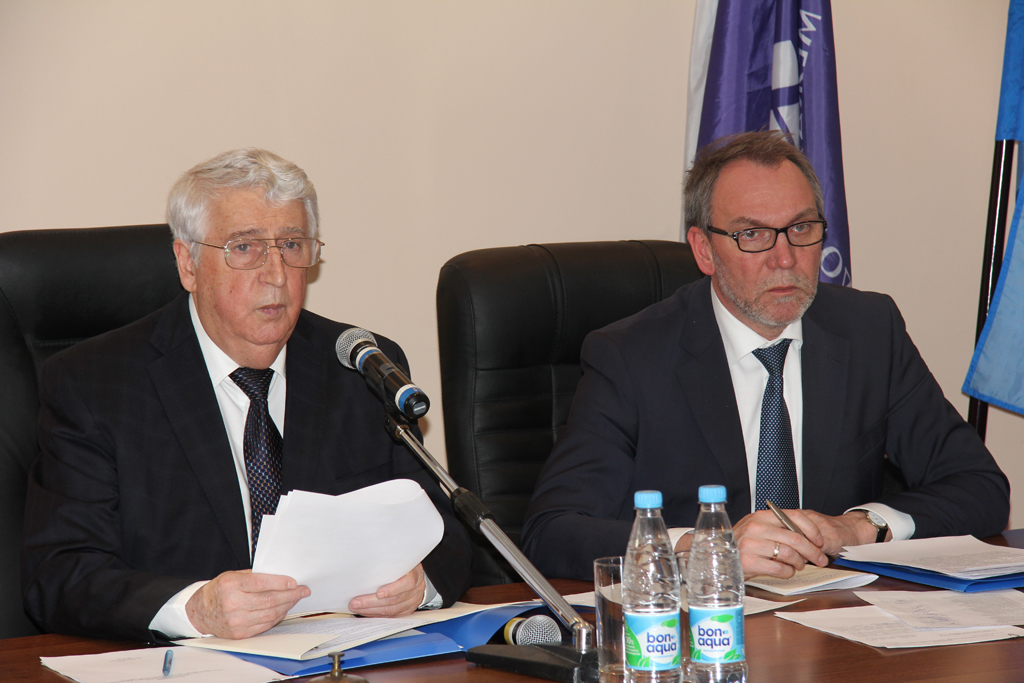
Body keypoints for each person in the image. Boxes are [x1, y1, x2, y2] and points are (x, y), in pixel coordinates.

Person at [22, 148, 471, 642]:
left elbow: (447, 532)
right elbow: (61, 574)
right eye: (245, 247)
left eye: (292, 245)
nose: (277, 274)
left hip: (341, 658)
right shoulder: (94, 385)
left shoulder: (357, 366)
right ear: (188, 264)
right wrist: (194, 609)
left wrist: (421, 584)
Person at [520, 131, 1010, 582]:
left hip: (836, 617)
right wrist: (703, 550)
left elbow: (979, 486)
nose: (785, 257)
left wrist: (862, 526)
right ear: (704, 250)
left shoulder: (868, 330)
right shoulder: (631, 356)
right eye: (752, 234)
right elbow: (551, 531)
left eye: (801, 228)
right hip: (701, 623)